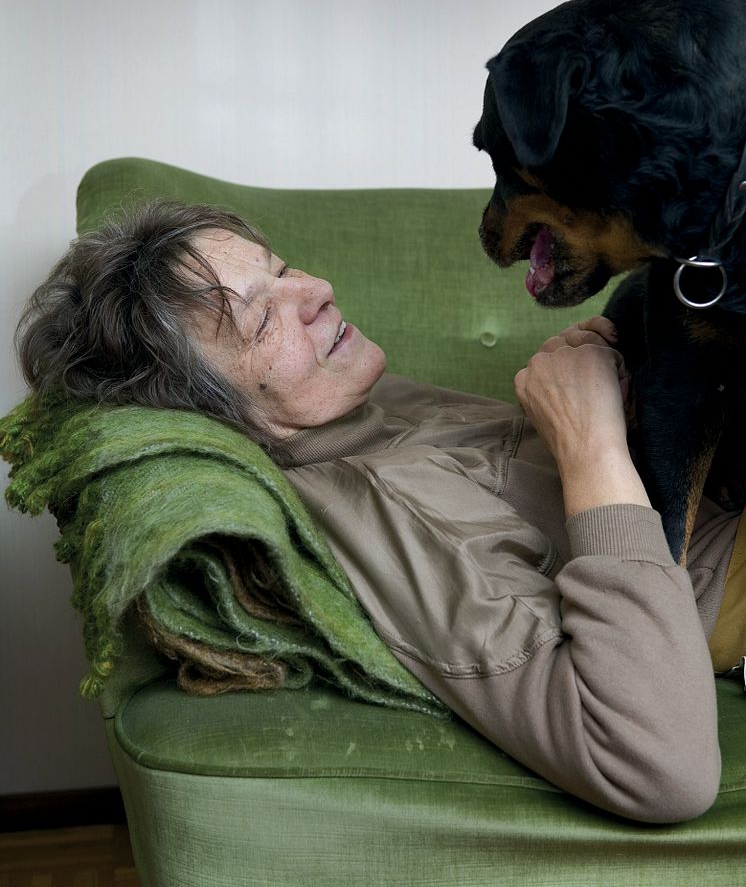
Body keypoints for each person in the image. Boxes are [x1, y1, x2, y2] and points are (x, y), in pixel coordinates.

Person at [16, 200, 741, 824]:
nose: (318, 290)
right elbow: (660, 769)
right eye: (263, 318)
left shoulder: (364, 406)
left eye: (284, 267)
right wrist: (591, 443)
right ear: (211, 411)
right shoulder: (385, 515)